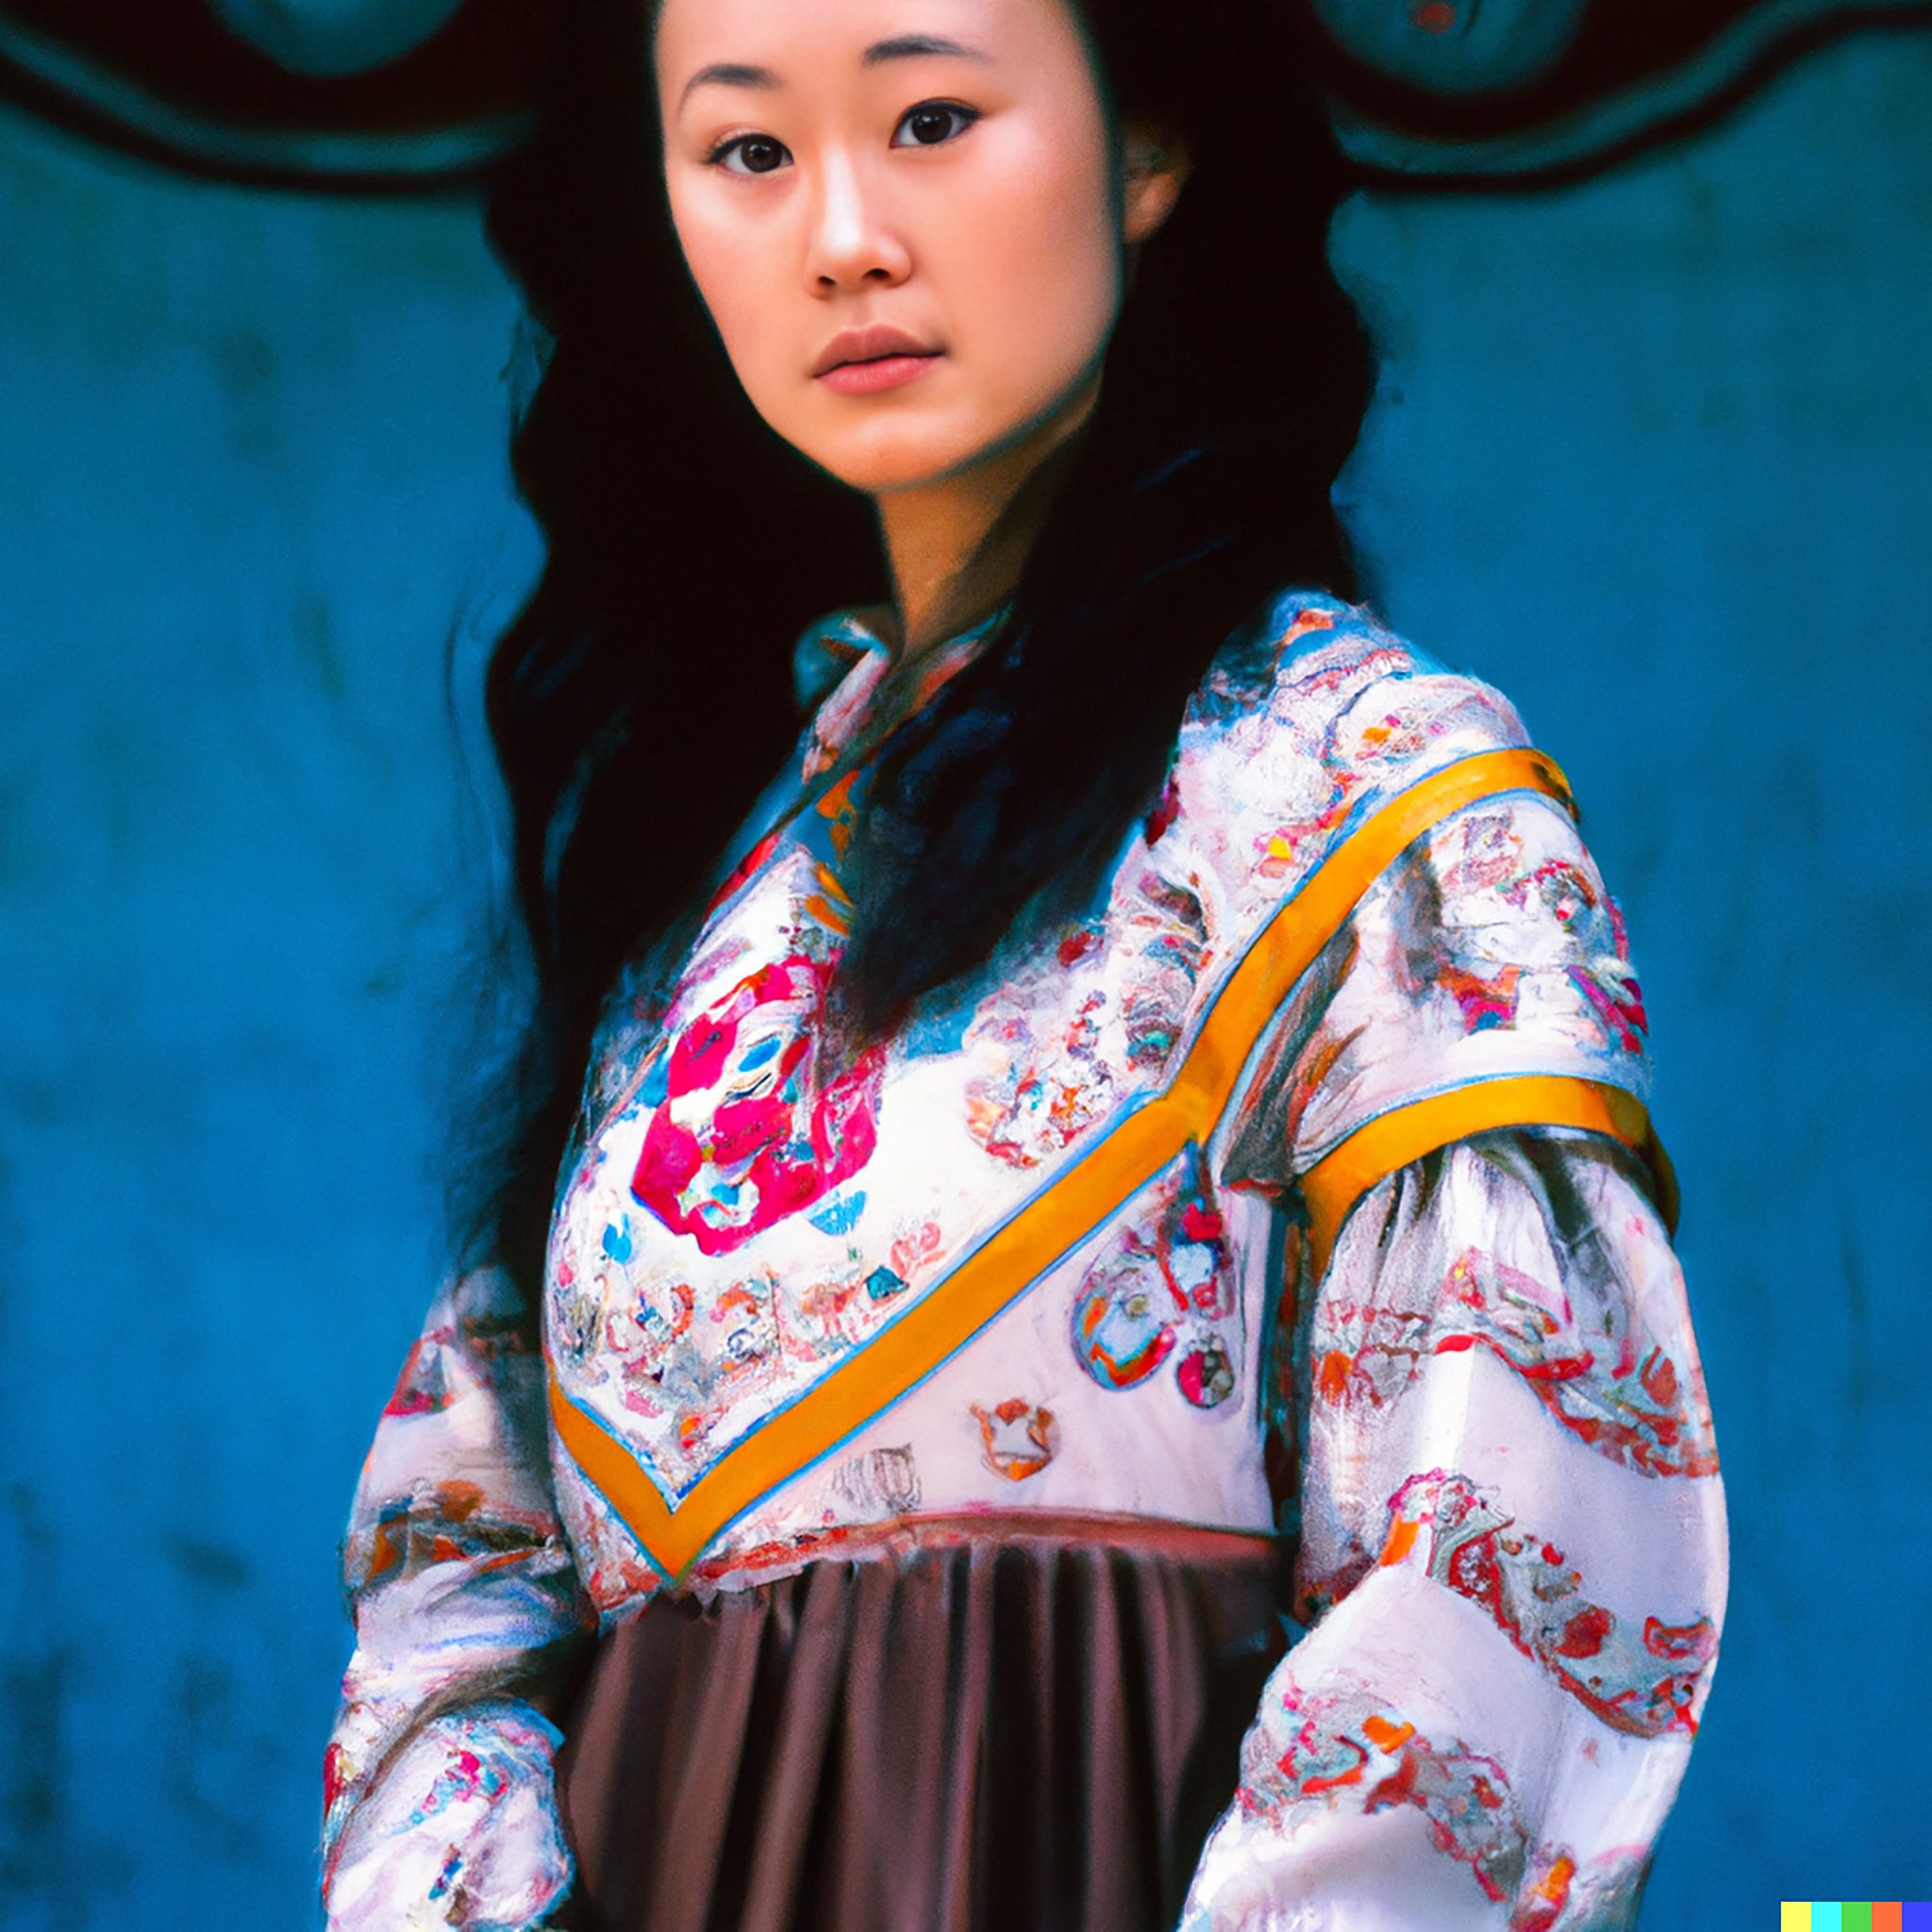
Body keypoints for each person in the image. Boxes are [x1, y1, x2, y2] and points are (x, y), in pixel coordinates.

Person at [320, 0, 1729, 1924]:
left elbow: (1497, 1586)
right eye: (746, 151)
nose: (841, 237)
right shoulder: (694, 906)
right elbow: (458, 1563)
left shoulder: (1370, 808)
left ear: (1144, 151)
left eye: (927, 117)